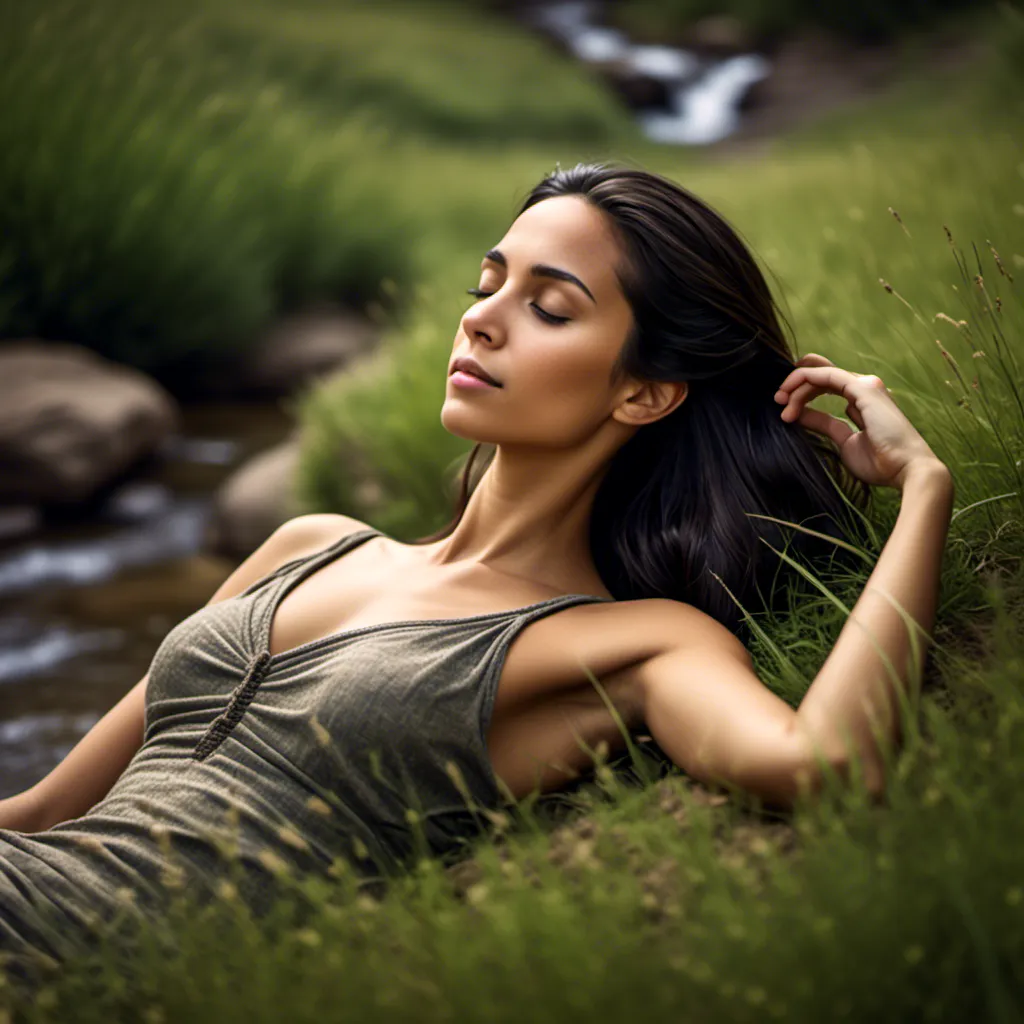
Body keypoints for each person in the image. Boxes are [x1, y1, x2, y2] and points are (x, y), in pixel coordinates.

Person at [0, 162, 954, 973]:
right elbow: (42, 811)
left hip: (79, 953)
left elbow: (824, 768)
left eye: (547, 307)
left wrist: (921, 492)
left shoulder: (636, 641)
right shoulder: (308, 544)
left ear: (646, 392)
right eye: (487, 283)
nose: (484, 321)